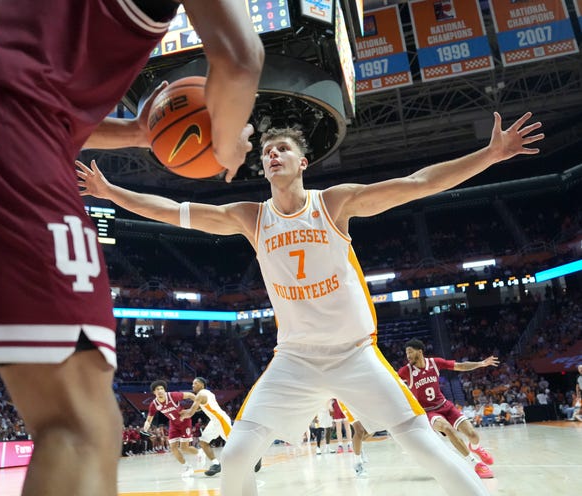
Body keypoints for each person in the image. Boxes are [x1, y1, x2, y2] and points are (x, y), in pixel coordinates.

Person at [78, 110, 543, 496]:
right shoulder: (251, 217)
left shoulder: (333, 205)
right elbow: (172, 211)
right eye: (266, 152)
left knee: (423, 444)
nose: (272, 154)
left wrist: (491, 153)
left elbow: (418, 182)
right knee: (237, 455)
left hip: (355, 354)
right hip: (295, 360)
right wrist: (111, 193)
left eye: (282, 149)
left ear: (303, 163)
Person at [0, 0, 264, 494]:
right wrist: (228, 142)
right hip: (1, 131)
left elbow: (24, 79)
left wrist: (137, 134)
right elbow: (239, 58)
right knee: (81, 426)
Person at [398, 338, 498, 479]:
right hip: (429, 411)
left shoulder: (435, 362)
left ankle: (475, 447)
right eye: (406, 353)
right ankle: (476, 464)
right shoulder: (405, 371)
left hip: (445, 405)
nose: (407, 356)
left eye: (410, 352)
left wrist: (481, 364)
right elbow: (390, 381)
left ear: (419, 352)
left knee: (473, 435)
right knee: (448, 429)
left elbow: (460, 366)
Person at [143, 380, 200, 478]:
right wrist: (146, 425)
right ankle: (187, 467)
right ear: (154, 392)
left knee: (184, 448)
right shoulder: (154, 404)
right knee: (173, 448)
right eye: (157, 389)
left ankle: (200, 453)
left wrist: (199, 403)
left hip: (184, 421)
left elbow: (190, 395)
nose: (160, 391)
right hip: (173, 424)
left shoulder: (172, 395)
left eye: (162, 388)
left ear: (164, 390)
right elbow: (149, 418)